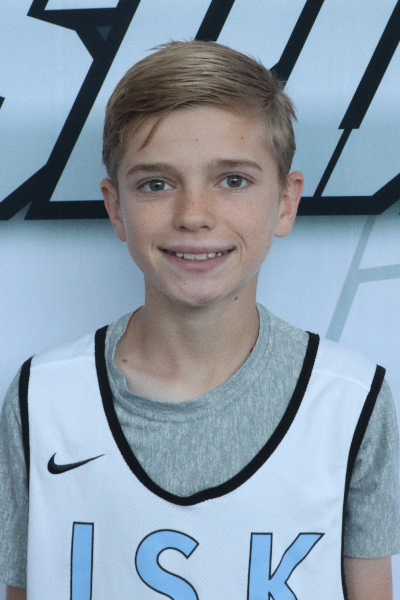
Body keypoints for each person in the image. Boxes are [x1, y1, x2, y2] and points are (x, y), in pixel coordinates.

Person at [0, 41, 399, 600]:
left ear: (286, 202)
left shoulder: (350, 402)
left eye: (232, 180)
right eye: (156, 184)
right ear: (115, 208)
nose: (193, 215)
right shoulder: (41, 400)